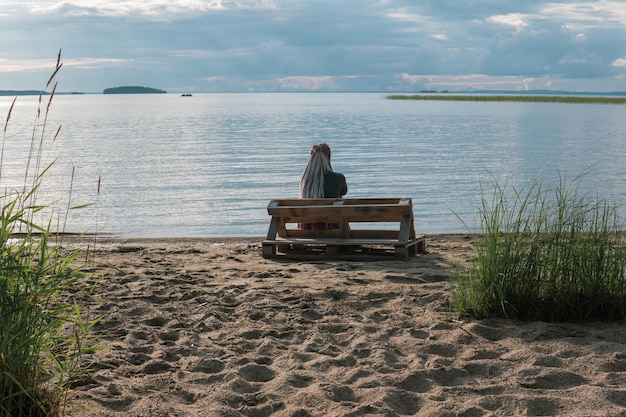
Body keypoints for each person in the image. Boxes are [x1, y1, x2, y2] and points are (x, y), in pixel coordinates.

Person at [298, 142, 347, 230]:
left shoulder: (304, 179)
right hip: (332, 228)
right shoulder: (338, 178)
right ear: (328, 158)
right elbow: (344, 192)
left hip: (307, 228)